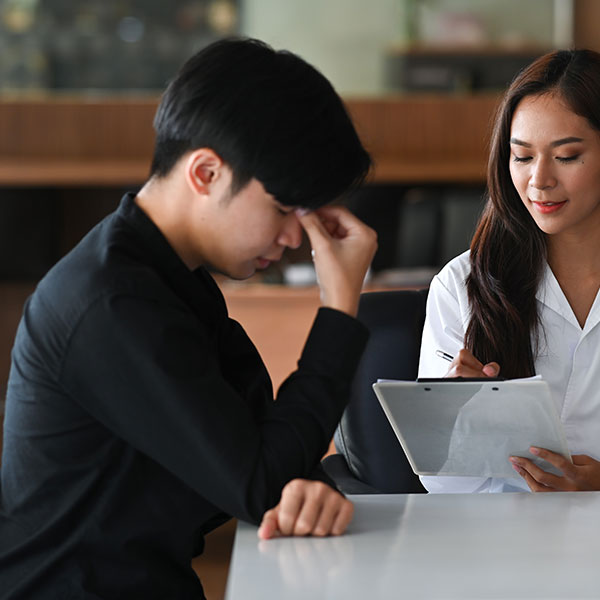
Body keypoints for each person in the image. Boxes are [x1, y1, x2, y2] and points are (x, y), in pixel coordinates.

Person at [0, 38, 377, 599]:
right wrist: (339, 306)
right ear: (205, 172)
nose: (295, 237)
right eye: (281, 209)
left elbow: (269, 456)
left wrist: (307, 487)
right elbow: (260, 480)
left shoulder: (173, 278)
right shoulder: (112, 301)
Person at [418, 48, 600, 494]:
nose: (539, 180)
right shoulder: (462, 285)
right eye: (522, 157)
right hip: (504, 545)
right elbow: (440, 485)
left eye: (567, 155)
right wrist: (457, 417)